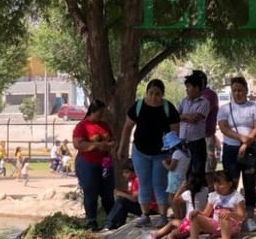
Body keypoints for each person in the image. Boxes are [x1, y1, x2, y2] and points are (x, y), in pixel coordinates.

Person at [121, 79, 181, 229]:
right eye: (151, 93)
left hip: (161, 153)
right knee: (143, 182)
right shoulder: (139, 106)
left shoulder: (168, 108)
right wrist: (122, 147)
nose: (154, 97)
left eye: (158, 94)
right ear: (147, 93)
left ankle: (162, 216)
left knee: (160, 184)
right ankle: (145, 215)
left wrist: (172, 152)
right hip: (140, 151)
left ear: (162, 94)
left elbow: (175, 132)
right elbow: (128, 127)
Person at [217, 76, 256, 232]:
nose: (237, 93)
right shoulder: (224, 109)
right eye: (235, 90)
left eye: (240, 90)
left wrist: (246, 143)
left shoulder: (254, 107)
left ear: (246, 91)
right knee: (231, 183)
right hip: (231, 149)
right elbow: (224, 128)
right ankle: (232, 217)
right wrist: (240, 139)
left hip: (250, 149)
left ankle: (250, 217)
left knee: (250, 184)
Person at [178, 170, 246, 239]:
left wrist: (230, 214)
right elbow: (206, 213)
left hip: (231, 226)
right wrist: (197, 212)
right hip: (216, 225)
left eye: (220, 184)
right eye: (215, 184)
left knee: (223, 217)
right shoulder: (213, 196)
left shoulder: (237, 197)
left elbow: (241, 216)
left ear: (229, 184)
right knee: (195, 217)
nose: (217, 187)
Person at [146, 171, 209, 239]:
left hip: (191, 225)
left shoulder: (187, 194)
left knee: (172, 234)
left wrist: (181, 188)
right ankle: (155, 235)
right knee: (173, 223)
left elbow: (175, 201)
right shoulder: (205, 191)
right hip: (202, 223)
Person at [73, 99, 116, 231]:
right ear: (92, 111)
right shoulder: (82, 126)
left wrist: (111, 145)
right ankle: (91, 221)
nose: (102, 115)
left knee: (107, 193)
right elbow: (77, 144)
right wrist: (96, 145)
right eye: (100, 112)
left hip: (105, 163)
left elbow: (112, 139)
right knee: (91, 192)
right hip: (88, 162)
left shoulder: (105, 125)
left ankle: (112, 219)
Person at [101, 160, 154, 231]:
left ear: (134, 172)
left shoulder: (137, 180)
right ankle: (119, 224)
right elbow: (131, 193)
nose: (124, 175)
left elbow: (134, 199)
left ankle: (108, 224)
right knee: (123, 202)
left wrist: (121, 193)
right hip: (143, 207)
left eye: (127, 172)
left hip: (150, 210)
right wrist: (122, 192)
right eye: (123, 172)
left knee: (122, 201)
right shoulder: (131, 181)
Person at [177, 71, 211, 178]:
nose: (187, 89)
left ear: (196, 88)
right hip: (183, 142)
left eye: (189, 87)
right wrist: (186, 117)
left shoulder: (204, 102)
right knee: (184, 172)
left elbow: (195, 118)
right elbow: (176, 117)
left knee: (198, 171)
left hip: (197, 143)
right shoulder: (183, 101)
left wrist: (183, 117)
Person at [191, 70, 220, 188]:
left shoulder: (209, 95)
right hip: (193, 137)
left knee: (208, 171)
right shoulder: (191, 97)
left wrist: (185, 116)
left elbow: (198, 115)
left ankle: (211, 198)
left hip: (206, 136)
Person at [162, 132, 190, 210]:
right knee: (181, 197)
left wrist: (164, 164)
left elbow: (171, 168)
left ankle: (177, 215)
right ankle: (182, 215)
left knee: (171, 199)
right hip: (182, 177)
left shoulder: (176, 153)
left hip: (174, 178)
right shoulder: (187, 153)